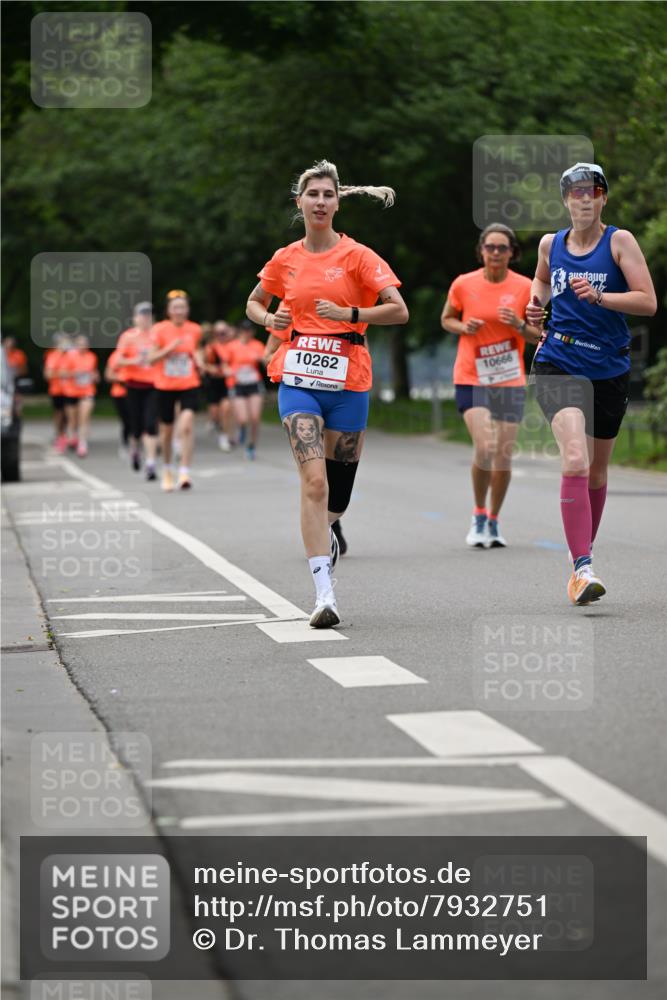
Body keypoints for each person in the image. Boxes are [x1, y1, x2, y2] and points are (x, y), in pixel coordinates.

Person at [246, 159, 409, 627]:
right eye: (311, 194)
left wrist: (350, 313)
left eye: (327, 195)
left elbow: (398, 311)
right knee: (313, 484)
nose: (319, 202)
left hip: (348, 380)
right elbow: (255, 301)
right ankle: (324, 595)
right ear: (300, 202)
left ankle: (333, 525)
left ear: (338, 202)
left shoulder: (358, 256)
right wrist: (268, 320)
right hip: (297, 379)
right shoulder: (285, 258)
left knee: (338, 493)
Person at [526, 162, 657, 605]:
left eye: (592, 191)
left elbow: (648, 302)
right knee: (576, 459)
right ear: (565, 200)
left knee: (598, 470)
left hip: (609, 367)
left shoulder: (619, 241)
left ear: (603, 198)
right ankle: (582, 568)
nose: (583, 198)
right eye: (575, 192)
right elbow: (542, 282)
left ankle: (582, 553)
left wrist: (601, 297)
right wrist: (533, 306)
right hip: (558, 360)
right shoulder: (551, 244)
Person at [441, 224, 541, 548]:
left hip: (509, 378)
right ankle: (478, 513)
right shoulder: (463, 284)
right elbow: (447, 318)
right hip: (471, 375)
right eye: (490, 247)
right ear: (481, 251)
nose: (496, 253)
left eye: (502, 248)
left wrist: (518, 324)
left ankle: (494, 521)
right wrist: (462, 325)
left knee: (503, 455)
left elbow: (539, 335)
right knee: (485, 446)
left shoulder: (526, 287)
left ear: (512, 252)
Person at [148, 290, 204, 491]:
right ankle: (168, 469)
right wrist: (169, 349)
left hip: (189, 383)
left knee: (187, 424)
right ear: (169, 311)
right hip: (165, 385)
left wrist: (200, 360)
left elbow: (196, 350)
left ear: (187, 309)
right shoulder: (160, 329)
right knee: (166, 431)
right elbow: (150, 358)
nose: (179, 311)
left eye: (183, 307)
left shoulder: (195, 329)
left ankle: (184, 472)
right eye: (175, 307)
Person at [115, 302, 159, 480]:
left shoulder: (157, 335)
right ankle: (134, 448)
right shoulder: (128, 337)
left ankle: (150, 463)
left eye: (148, 314)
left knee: (150, 424)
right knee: (135, 425)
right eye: (142, 315)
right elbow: (118, 360)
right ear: (135, 318)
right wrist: (135, 361)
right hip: (133, 384)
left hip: (153, 385)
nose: (145, 318)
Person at [224, 319, 266, 460]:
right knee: (243, 418)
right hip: (238, 384)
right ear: (239, 331)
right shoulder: (231, 346)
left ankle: (251, 446)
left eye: (249, 330)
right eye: (243, 330)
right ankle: (240, 429)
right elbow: (224, 365)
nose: (246, 333)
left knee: (255, 417)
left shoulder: (258, 345)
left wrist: (262, 360)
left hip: (254, 383)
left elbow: (267, 363)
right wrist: (228, 371)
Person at [59, 335, 98, 457]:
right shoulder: (70, 356)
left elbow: (94, 372)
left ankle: (82, 444)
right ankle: (72, 437)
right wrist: (75, 373)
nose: (83, 346)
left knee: (84, 419)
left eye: (85, 344)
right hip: (71, 391)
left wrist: (95, 377)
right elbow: (62, 373)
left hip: (87, 391)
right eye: (80, 344)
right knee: (72, 420)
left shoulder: (92, 357)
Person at [203, 320, 235, 452]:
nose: (222, 335)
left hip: (227, 382)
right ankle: (214, 422)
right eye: (219, 333)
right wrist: (214, 369)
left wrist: (231, 370)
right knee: (215, 413)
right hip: (213, 382)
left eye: (224, 332)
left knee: (226, 409)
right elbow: (203, 364)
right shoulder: (210, 347)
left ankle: (224, 437)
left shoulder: (233, 346)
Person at [43, 333, 69, 451]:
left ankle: (66, 434)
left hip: (70, 390)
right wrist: (61, 374)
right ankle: (59, 434)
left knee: (68, 414)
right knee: (59, 413)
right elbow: (47, 374)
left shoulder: (70, 355)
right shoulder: (52, 355)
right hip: (57, 389)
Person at [104, 348, 131, 457]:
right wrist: (123, 378)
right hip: (120, 393)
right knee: (127, 421)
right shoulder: (115, 356)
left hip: (138, 392)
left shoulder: (140, 353)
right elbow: (108, 375)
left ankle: (137, 444)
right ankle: (125, 443)